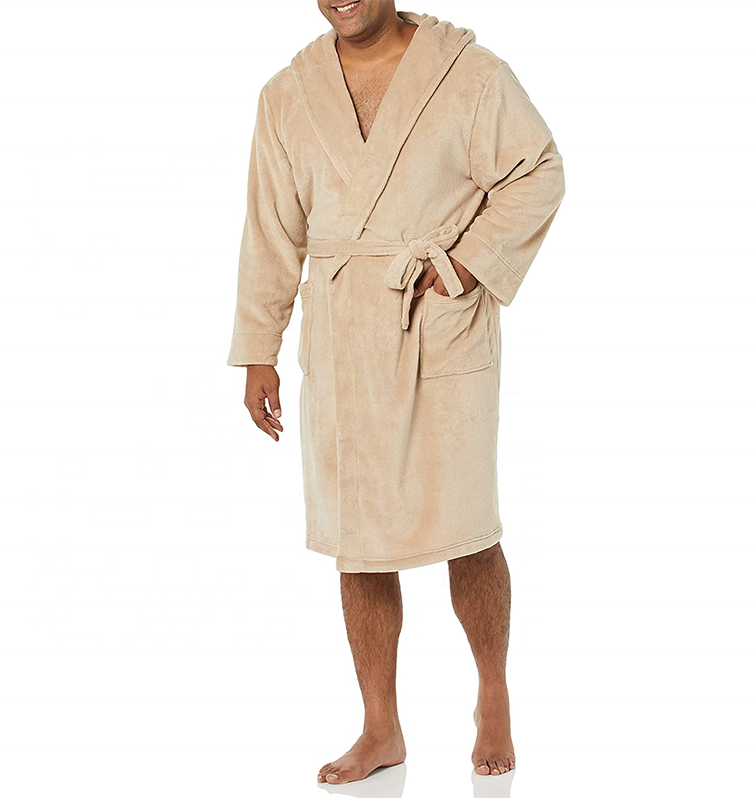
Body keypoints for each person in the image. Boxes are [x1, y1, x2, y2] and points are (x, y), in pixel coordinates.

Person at [227, 1, 565, 785]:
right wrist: (257, 350)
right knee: (359, 539)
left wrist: (466, 265)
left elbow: (538, 171)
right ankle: (380, 725)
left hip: (438, 326)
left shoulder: (466, 73)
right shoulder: (288, 93)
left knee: (467, 524)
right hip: (343, 336)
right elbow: (270, 229)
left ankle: (492, 693)